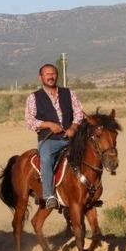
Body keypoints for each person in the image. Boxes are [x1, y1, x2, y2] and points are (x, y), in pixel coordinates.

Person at [24, 63, 84, 210]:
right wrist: (48, 124)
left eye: (53, 74)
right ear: (41, 77)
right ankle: (49, 195)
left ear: (57, 75)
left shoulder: (69, 93)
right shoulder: (34, 97)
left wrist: (74, 127)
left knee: (91, 153)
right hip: (49, 140)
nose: (51, 77)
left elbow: (79, 113)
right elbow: (29, 120)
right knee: (45, 158)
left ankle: (92, 190)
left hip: (71, 138)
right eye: (47, 74)